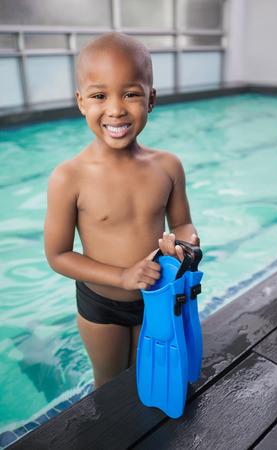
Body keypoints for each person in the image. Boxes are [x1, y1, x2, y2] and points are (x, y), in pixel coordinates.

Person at [44, 32, 199, 390]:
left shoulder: (168, 166)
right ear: (81, 102)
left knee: (153, 379)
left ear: (151, 99)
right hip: (102, 305)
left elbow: (183, 223)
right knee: (112, 386)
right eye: (100, 96)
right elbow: (57, 255)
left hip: (158, 298)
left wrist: (186, 246)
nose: (115, 109)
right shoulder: (68, 177)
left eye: (131, 94)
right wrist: (123, 277)